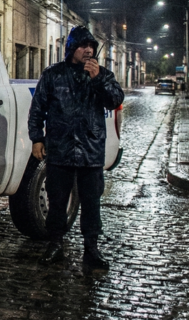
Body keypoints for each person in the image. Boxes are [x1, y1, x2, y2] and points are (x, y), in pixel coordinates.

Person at [28, 26, 124, 269]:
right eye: (83, 46)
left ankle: (91, 249)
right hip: (60, 148)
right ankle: (55, 244)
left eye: (91, 46)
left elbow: (115, 100)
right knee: (57, 199)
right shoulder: (53, 75)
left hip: (91, 149)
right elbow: (37, 108)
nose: (88, 50)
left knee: (91, 202)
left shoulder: (103, 75)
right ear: (72, 48)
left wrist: (98, 78)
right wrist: (37, 138)